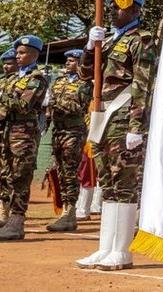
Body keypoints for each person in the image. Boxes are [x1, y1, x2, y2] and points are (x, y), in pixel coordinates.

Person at [76, 0, 159, 270]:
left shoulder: (142, 40)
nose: (112, 10)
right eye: (110, 5)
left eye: (119, 6)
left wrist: (136, 126)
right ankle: (105, 248)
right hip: (103, 117)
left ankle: (121, 251)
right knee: (108, 183)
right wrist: (90, 47)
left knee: (124, 183)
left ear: (135, 10)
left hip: (124, 117)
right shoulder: (110, 41)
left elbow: (143, 85)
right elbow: (85, 75)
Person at [0, 35, 49, 241]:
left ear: (34, 55)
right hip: (6, 130)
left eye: (22, 53)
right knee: (5, 173)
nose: (18, 56)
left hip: (24, 133)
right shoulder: (12, 78)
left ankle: (17, 220)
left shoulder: (37, 79)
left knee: (21, 175)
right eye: (17, 52)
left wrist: (2, 97)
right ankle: (5, 214)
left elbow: (23, 105)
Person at [45, 49, 92, 232]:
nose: (67, 63)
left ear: (80, 63)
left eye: (72, 60)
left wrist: (55, 103)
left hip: (74, 132)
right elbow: (49, 106)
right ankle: (65, 211)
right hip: (58, 130)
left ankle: (70, 212)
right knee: (61, 171)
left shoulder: (85, 83)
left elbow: (80, 107)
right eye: (67, 60)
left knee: (70, 171)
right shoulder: (59, 81)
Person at [0, 48, 16, 227]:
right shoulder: (2, 82)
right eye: (4, 64)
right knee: (3, 173)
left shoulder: (25, 81)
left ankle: (13, 214)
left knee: (14, 173)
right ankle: (3, 210)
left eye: (9, 63)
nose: (5, 67)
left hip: (17, 132)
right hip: (2, 131)